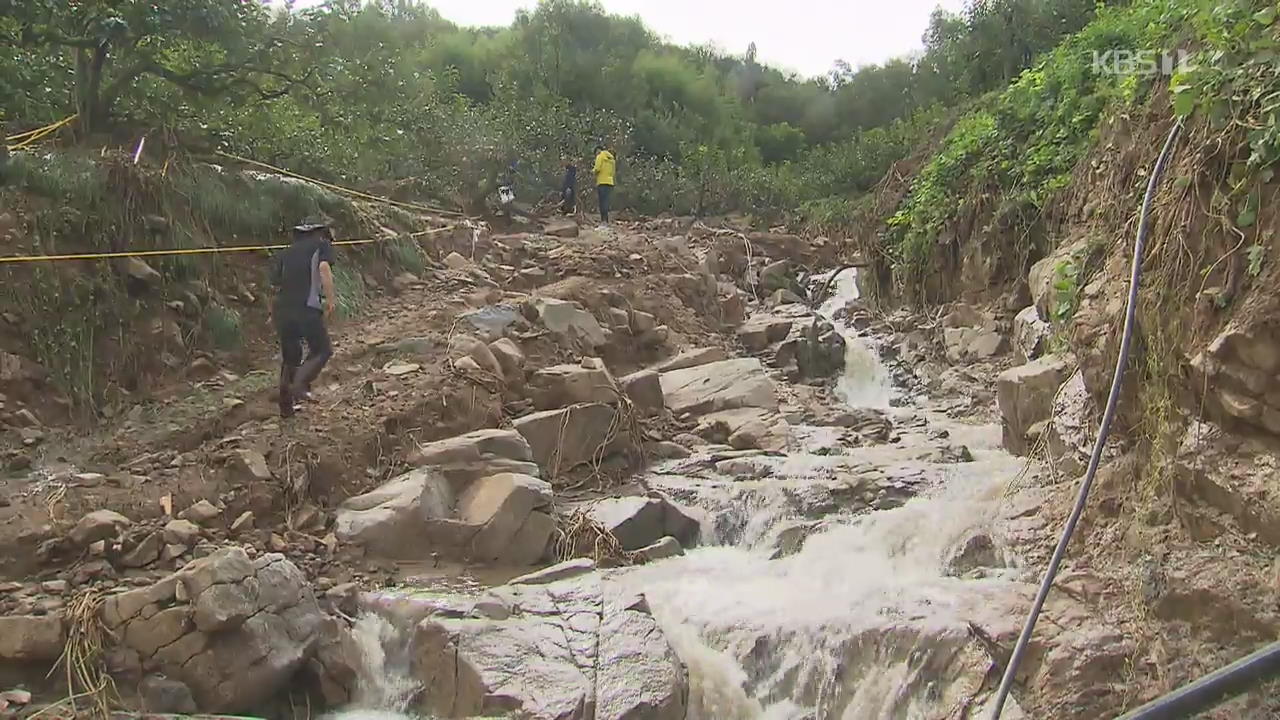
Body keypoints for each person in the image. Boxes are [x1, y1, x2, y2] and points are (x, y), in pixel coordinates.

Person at [270, 221, 337, 418]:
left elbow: (274, 287)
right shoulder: (321, 245)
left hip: (283, 310)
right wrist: (331, 300)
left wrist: (271, 312)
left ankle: (286, 408)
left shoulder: (285, 253)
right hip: (307, 307)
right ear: (319, 234)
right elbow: (324, 268)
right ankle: (300, 385)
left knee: (290, 357)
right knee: (322, 350)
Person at [592, 143, 615, 224]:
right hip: (610, 182)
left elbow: (597, 168)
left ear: (597, 151)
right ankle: (606, 220)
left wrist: (593, 172)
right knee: (606, 201)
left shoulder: (600, 156)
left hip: (602, 182)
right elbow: (613, 172)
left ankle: (603, 220)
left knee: (602, 202)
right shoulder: (612, 159)